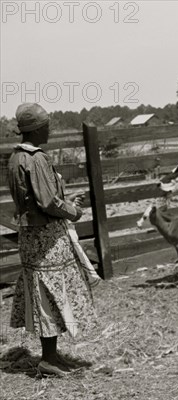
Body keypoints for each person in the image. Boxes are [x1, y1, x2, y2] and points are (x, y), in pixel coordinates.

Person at [7, 103, 99, 376]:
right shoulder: (37, 159)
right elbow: (47, 201)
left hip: (30, 236)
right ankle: (47, 360)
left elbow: (34, 199)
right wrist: (73, 211)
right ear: (36, 129)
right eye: (46, 125)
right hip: (46, 239)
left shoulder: (15, 157)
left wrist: (63, 201)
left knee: (45, 294)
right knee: (51, 293)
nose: (50, 129)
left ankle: (51, 355)